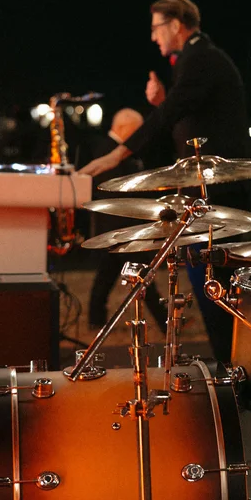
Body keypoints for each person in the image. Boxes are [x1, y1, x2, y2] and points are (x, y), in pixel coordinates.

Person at [81, 0, 251, 361]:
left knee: (214, 288)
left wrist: (118, 152)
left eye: (156, 28)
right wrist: (162, 103)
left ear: (176, 25)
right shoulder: (195, 60)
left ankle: (233, 369)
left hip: (218, 193)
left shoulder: (201, 58)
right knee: (208, 286)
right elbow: (184, 115)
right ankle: (228, 364)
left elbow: (173, 113)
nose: (153, 37)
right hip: (207, 191)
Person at [85, 107, 168, 333]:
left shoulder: (114, 151)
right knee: (141, 274)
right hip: (119, 227)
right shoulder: (108, 152)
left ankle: (95, 318)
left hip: (118, 227)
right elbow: (115, 193)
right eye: (136, 131)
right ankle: (164, 320)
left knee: (108, 275)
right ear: (123, 128)